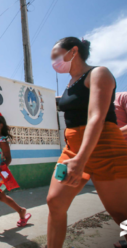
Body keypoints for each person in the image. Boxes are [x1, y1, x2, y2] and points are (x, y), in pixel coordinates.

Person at [47, 37, 127, 248]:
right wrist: (77, 156)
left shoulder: (99, 73)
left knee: (122, 215)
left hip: (105, 147)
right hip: (72, 149)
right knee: (54, 202)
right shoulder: (69, 84)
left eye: (56, 55)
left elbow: (96, 117)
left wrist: (81, 159)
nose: (53, 61)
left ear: (74, 51)